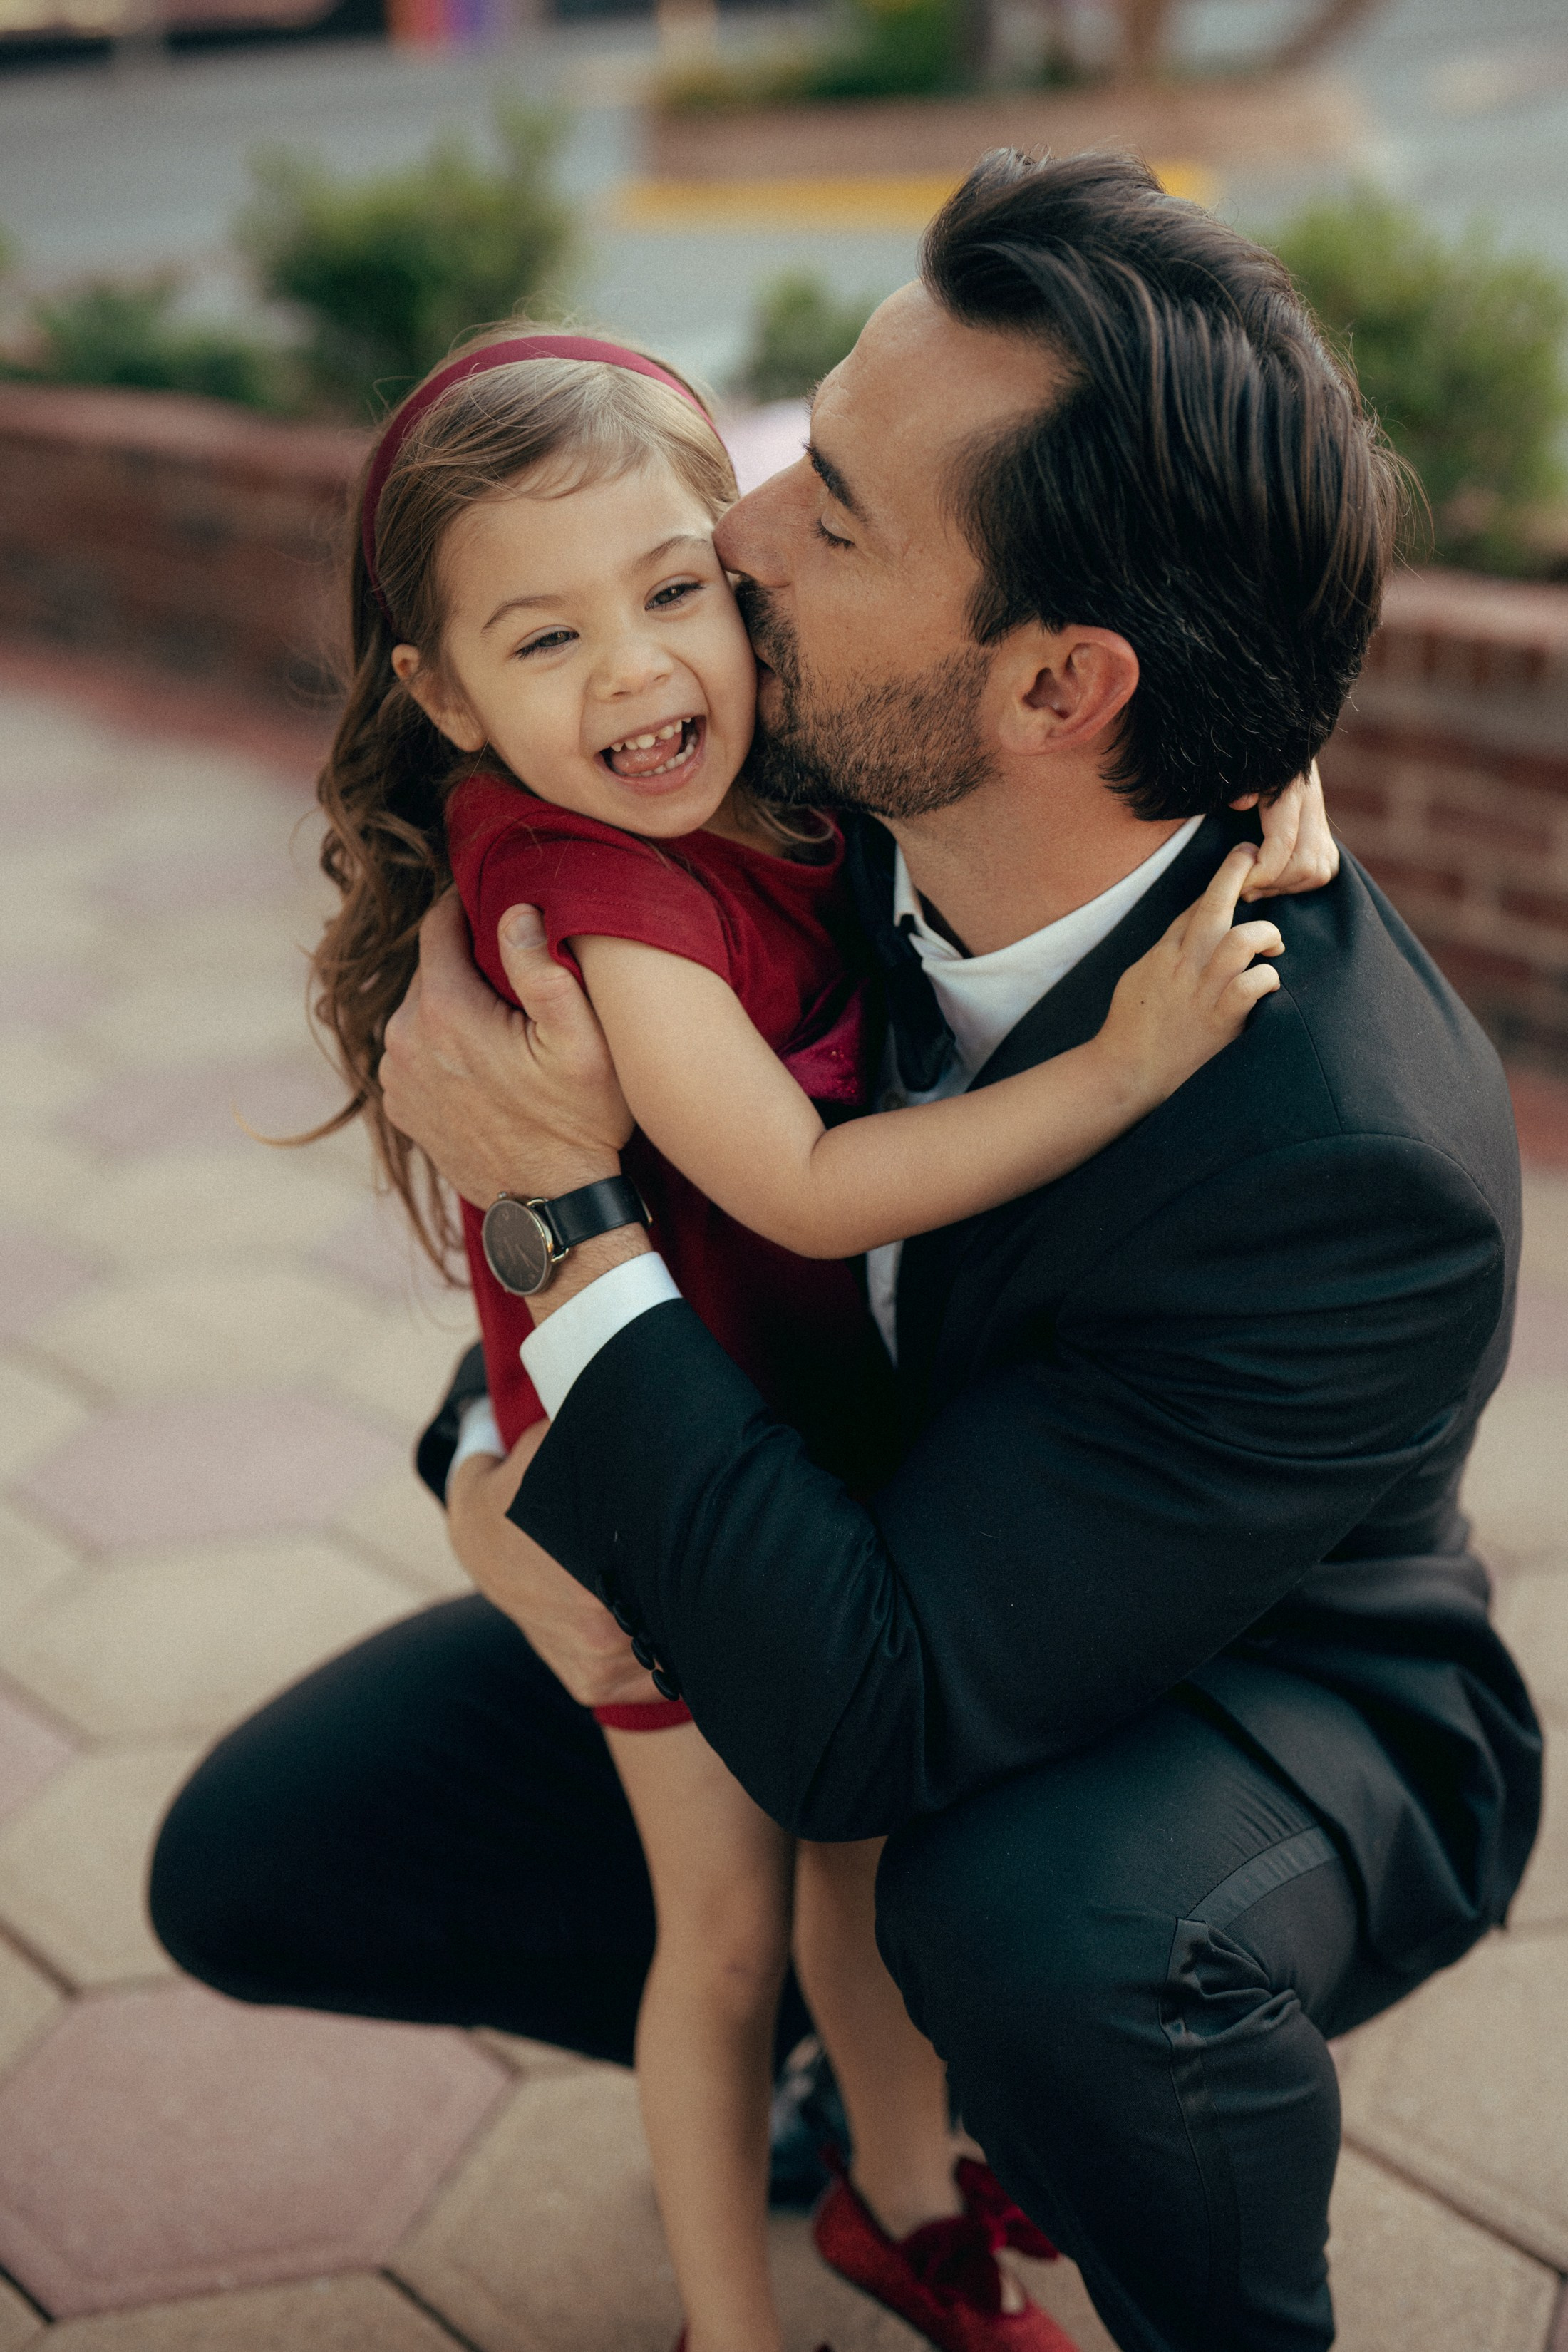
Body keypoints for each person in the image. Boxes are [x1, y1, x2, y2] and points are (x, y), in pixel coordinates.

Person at [150, 150, 1542, 2352]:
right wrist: (484, 1469)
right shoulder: (812, 814)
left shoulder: (1347, 1160)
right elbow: (686, 1222)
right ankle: (825, 2046)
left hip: (1257, 1704)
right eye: (803, 446)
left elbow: (874, 1711)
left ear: (1059, 691)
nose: (735, 534)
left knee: (1028, 1927)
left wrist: (559, 1211)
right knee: (256, 1856)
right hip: (840, 1544)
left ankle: (1188, 2288)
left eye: (839, 516)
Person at [296, 324, 1311, 2352]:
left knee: (857, 1868)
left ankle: (903, 2198)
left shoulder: (770, 789)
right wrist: (1119, 1073)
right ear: (443, 695)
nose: (639, 673)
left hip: (799, 1452)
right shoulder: (598, 898)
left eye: (674, 591)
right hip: (668, 1489)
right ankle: (726, 2321)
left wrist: (1264, 750)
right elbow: (803, 1190)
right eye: (547, 637)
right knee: (731, 1936)